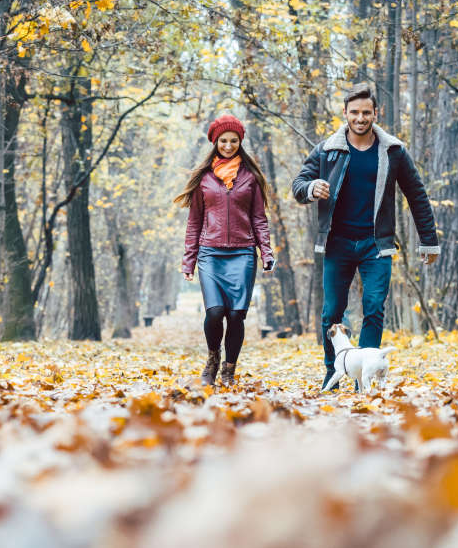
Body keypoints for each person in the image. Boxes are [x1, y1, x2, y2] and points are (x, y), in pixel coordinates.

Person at [291, 84, 440, 390]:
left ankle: (364, 377)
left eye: (366, 112)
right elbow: (298, 183)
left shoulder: (393, 151)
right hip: (337, 242)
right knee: (331, 311)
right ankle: (332, 371)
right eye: (354, 112)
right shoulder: (327, 150)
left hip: (376, 244)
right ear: (345, 113)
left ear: (376, 113)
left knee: (374, 306)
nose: (360, 118)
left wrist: (429, 240)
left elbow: (417, 195)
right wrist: (310, 189)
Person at [177, 115, 275, 386]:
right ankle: (212, 359)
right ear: (215, 142)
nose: (229, 146)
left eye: (234, 141)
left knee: (235, 315)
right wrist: (189, 261)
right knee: (215, 312)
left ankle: (229, 370)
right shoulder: (205, 179)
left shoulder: (251, 177)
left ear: (240, 142)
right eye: (224, 141)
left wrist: (266, 252)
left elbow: (259, 218)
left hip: (243, 253)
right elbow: (194, 221)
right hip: (210, 253)